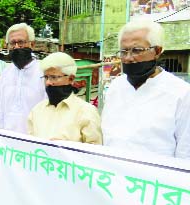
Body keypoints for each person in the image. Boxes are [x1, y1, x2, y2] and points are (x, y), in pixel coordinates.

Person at [101, 20, 190, 159]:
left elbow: (186, 152)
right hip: (111, 177)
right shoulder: (115, 87)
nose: (129, 58)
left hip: (156, 179)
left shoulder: (181, 93)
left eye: (137, 50)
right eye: (124, 52)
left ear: (157, 51)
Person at [28, 52, 102, 144]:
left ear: (71, 79)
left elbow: (95, 152)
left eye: (53, 77)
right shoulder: (36, 111)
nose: (48, 83)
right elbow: (29, 147)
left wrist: (67, 149)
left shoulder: (86, 112)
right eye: (46, 77)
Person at [0, 23, 45, 134]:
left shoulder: (44, 71)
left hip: (36, 139)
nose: (17, 47)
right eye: (12, 43)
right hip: (8, 139)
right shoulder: (6, 72)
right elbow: (1, 108)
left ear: (32, 44)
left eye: (21, 42)